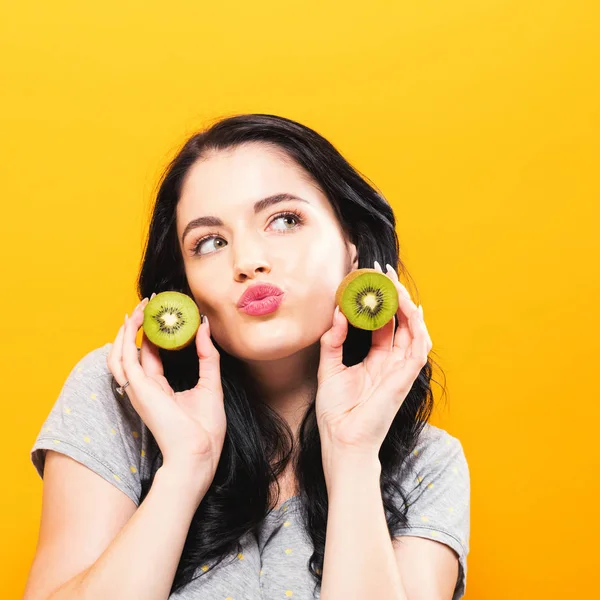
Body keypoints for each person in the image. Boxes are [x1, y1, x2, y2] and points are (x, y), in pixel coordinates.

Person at [25, 113, 470, 600]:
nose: (247, 261)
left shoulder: (428, 463)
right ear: (186, 288)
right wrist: (186, 468)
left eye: (284, 220)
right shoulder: (120, 396)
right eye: (210, 243)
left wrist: (353, 455)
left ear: (353, 249)